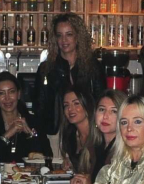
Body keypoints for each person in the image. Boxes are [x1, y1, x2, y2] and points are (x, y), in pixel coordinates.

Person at [33, 12, 103, 164]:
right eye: (59, 35)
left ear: (78, 37)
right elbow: (39, 108)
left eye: (69, 34)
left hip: (86, 132)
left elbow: (100, 101)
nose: (64, 40)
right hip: (55, 133)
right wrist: (42, 138)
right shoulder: (46, 69)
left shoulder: (92, 67)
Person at [0, 72, 46, 166]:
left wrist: (30, 134)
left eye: (11, 92)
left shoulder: (33, 121)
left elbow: (47, 157)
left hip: (27, 174)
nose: (7, 98)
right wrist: (7, 135)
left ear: (19, 94)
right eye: (1, 93)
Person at [72, 89, 125, 184]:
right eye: (101, 109)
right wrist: (81, 181)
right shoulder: (95, 145)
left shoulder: (125, 151)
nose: (105, 116)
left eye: (114, 111)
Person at [59, 86, 103, 183]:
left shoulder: (100, 136)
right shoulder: (70, 135)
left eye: (76, 103)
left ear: (87, 105)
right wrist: (70, 165)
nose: (70, 109)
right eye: (66, 105)